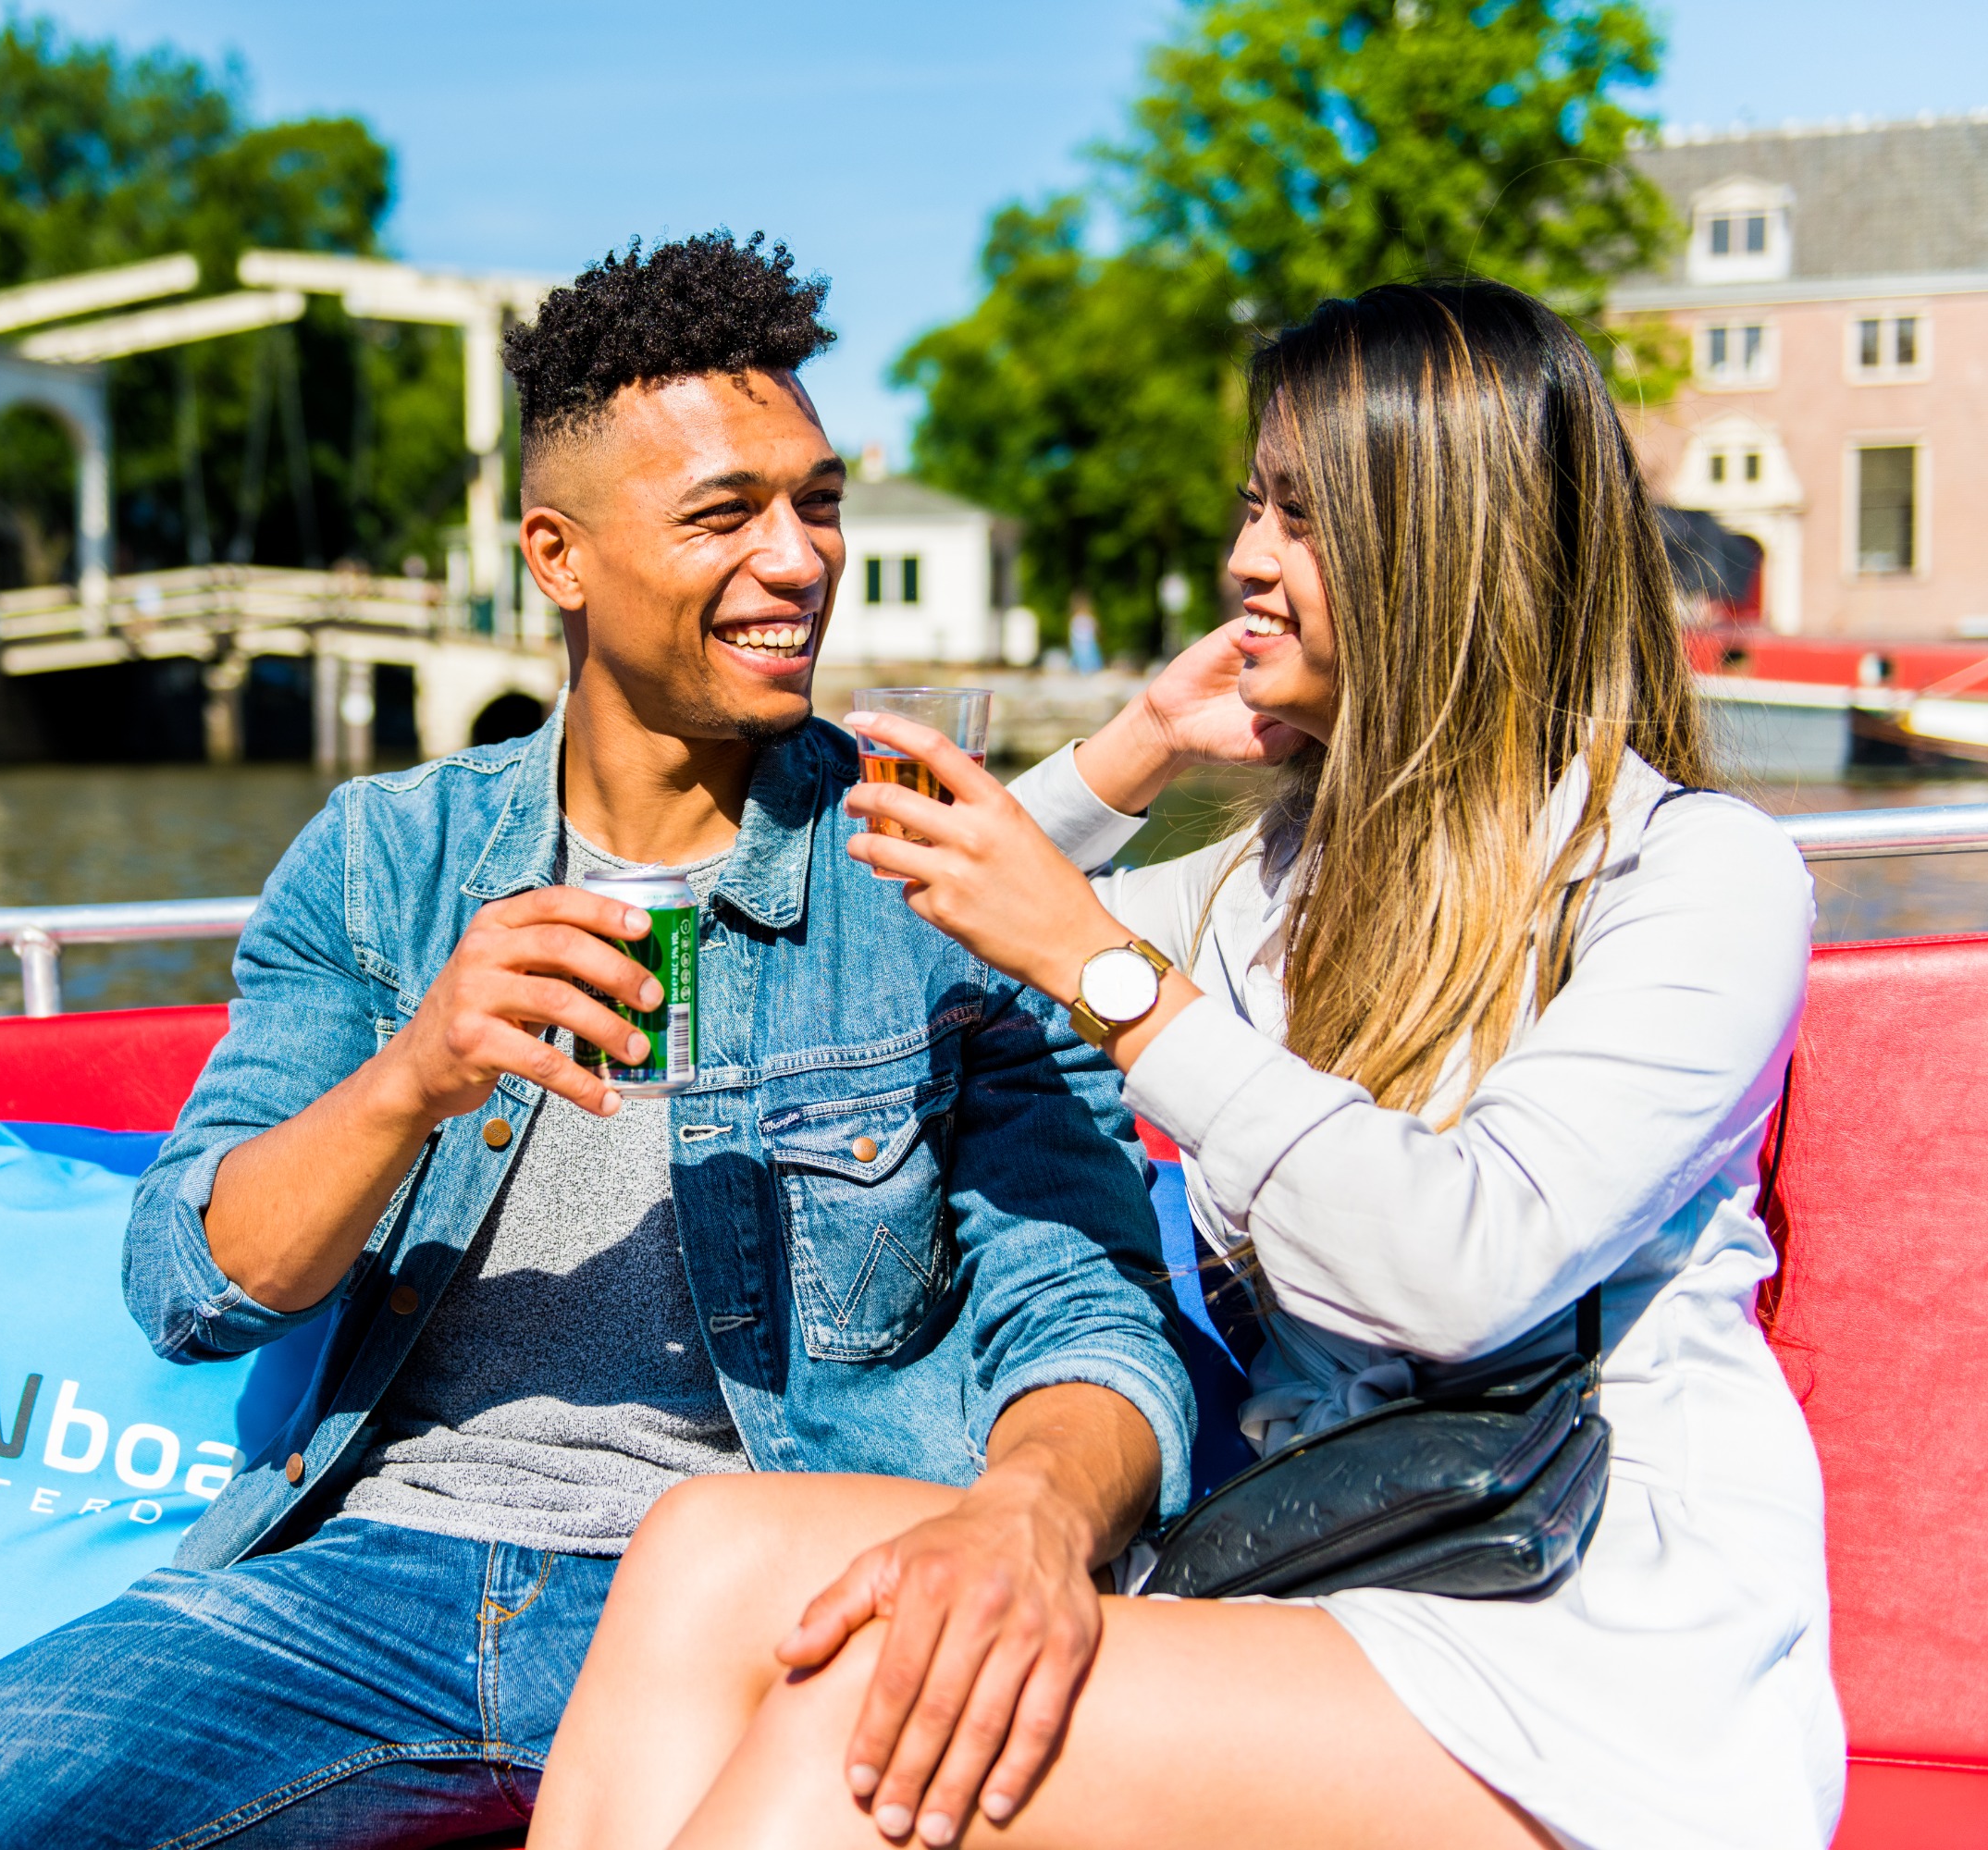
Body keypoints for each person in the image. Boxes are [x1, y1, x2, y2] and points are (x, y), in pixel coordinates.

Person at [0, 231, 1198, 1850]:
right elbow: (185, 1282)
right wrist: (416, 1076)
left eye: (817, 503)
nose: (800, 560)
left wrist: (1025, 1515)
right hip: (362, 1584)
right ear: (558, 555)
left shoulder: (938, 870)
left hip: (754, 1593)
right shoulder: (385, 861)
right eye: (725, 516)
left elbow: (1090, 1307)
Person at [522, 280, 1842, 1850]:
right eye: (1251, 508)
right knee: (708, 1551)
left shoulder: (1692, 880)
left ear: (1441, 548)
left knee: (857, 1730)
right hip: (1312, 1575)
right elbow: (914, 949)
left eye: (1299, 517)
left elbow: (1461, 1265)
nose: (1243, 564)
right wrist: (1137, 745)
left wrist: (1113, 981)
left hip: (1580, 1652)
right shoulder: (1273, 885)